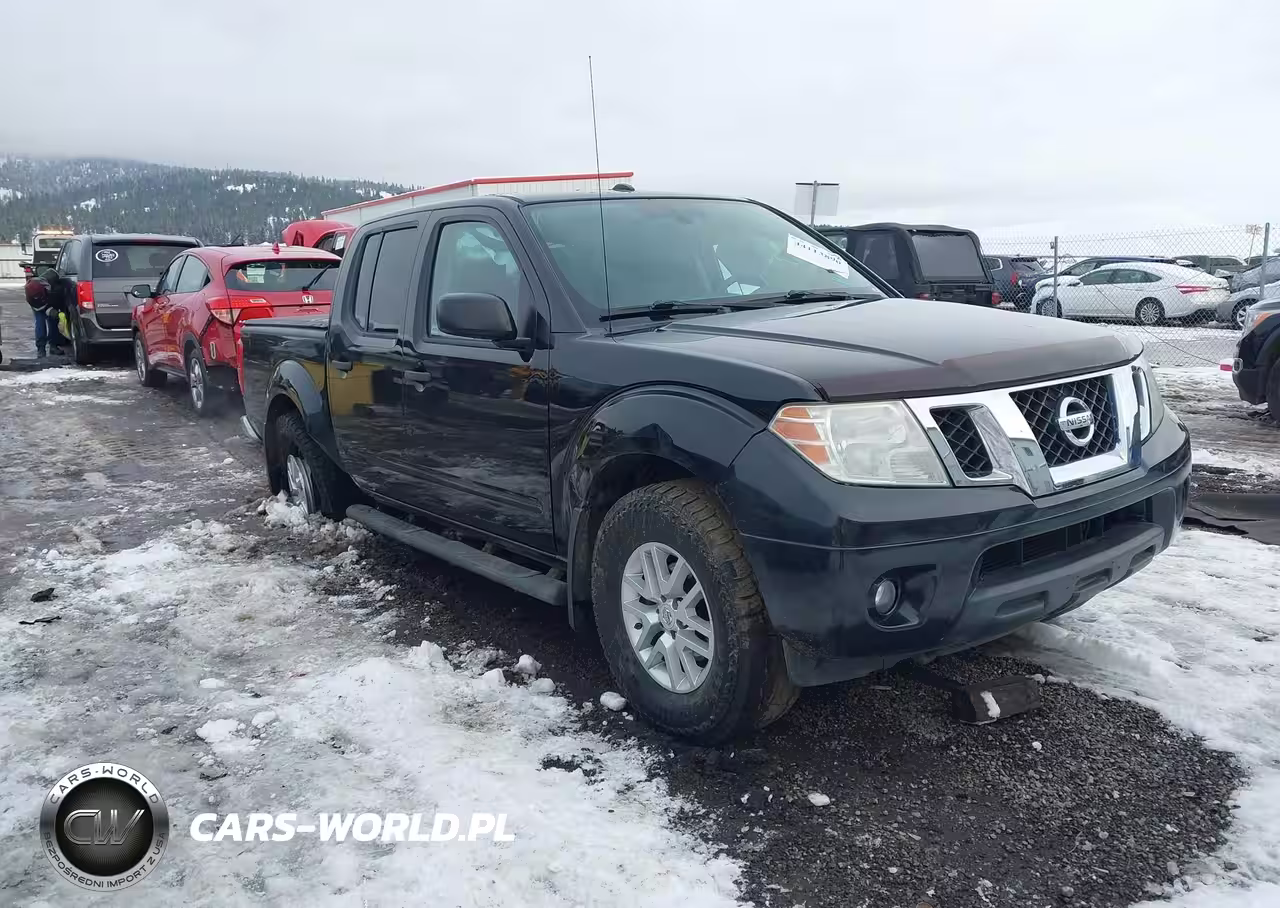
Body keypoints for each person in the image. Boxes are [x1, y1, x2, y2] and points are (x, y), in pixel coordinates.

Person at [24, 267, 69, 358]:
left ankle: (51, 346)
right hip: (39, 303)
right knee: (41, 323)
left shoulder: (54, 287)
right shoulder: (34, 290)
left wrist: (54, 310)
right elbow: (38, 306)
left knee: (52, 321)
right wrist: (49, 310)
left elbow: (55, 300)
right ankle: (42, 348)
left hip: (49, 300)